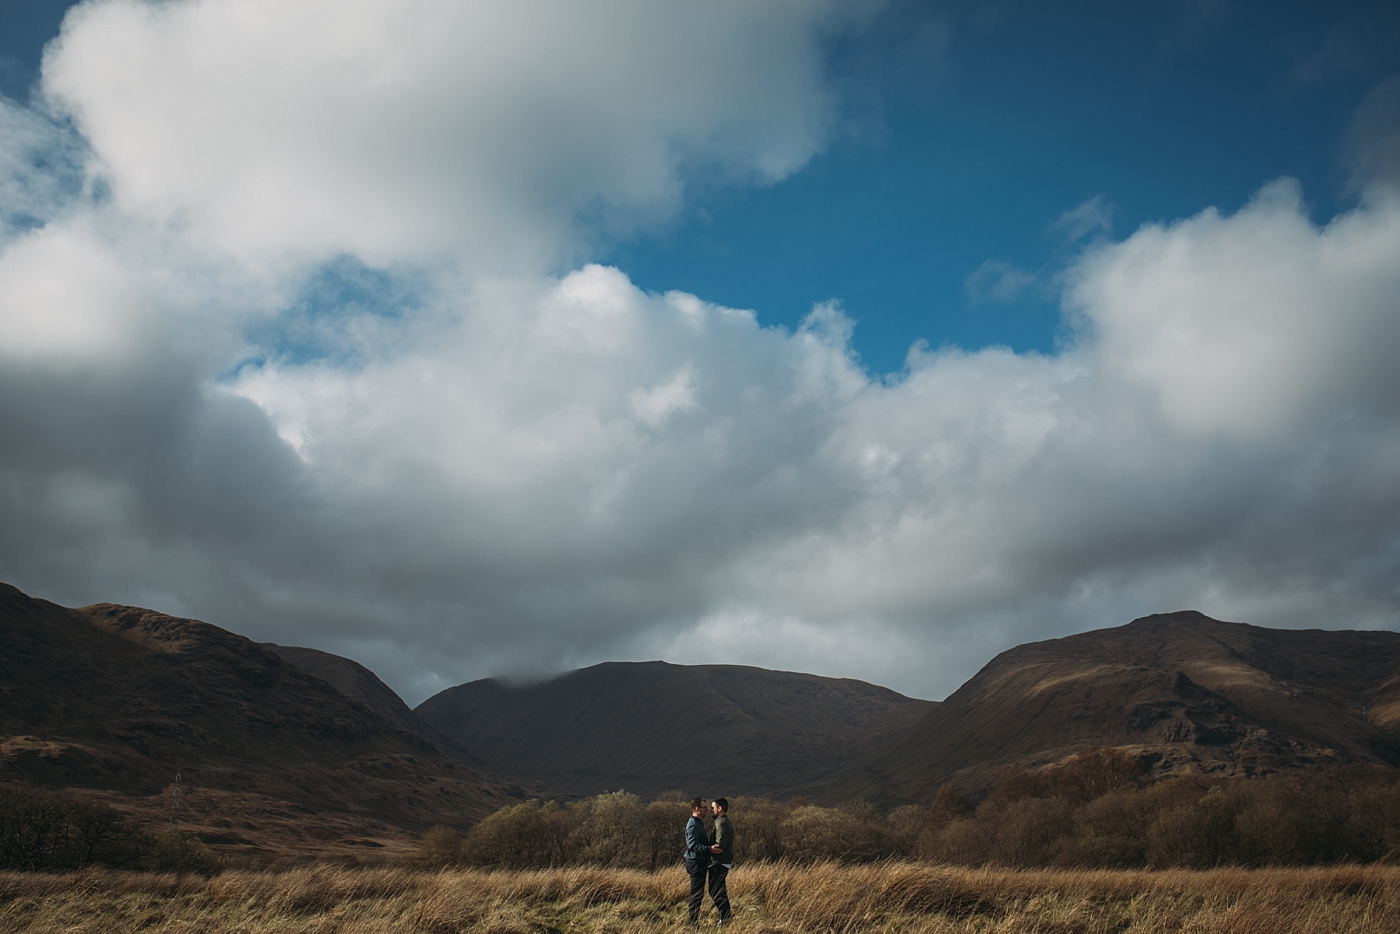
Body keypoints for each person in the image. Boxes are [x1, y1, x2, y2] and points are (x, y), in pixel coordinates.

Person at [683, 797, 712, 925]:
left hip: (698, 862)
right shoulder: (694, 825)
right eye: (704, 807)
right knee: (696, 893)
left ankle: (693, 921)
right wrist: (710, 849)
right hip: (696, 863)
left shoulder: (698, 822)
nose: (707, 809)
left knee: (698, 893)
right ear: (696, 809)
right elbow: (693, 846)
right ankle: (692, 922)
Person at [707, 797, 734, 924]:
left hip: (720, 861)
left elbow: (720, 845)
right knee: (716, 890)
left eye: (712, 808)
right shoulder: (721, 821)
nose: (710, 810)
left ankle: (725, 918)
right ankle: (725, 917)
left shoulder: (722, 823)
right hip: (720, 861)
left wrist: (706, 850)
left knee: (716, 890)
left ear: (720, 808)